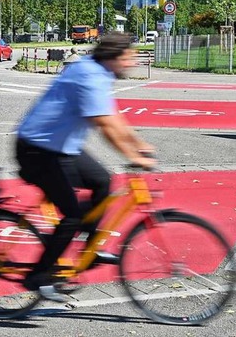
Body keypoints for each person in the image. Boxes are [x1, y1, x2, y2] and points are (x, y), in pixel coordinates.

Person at [15, 31, 156, 301]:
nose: (131, 64)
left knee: (102, 181)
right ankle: (38, 275)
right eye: (128, 59)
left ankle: (90, 249)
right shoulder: (90, 76)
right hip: (37, 150)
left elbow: (114, 116)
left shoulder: (100, 73)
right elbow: (104, 124)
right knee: (72, 215)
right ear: (114, 57)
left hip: (61, 148)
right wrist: (133, 155)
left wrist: (140, 143)